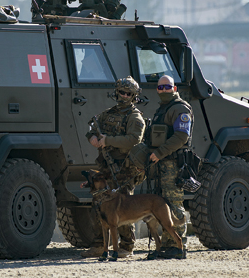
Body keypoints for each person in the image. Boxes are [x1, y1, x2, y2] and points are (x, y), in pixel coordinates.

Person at [82, 76, 145, 258]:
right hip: (106, 167)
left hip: (124, 168)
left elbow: (134, 139)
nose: (124, 96)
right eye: (121, 92)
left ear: (133, 96)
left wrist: (108, 140)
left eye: (128, 94)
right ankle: (99, 245)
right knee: (99, 203)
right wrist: (92, 137)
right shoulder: (108, 114)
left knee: (123, 206)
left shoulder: (135, 117)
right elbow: (92, 127)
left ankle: (127, 246)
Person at [145, 74, 192, 259]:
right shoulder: (163, 109)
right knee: (162, 206)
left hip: (173, 163)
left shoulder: (180, 108)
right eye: (160, 87)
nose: (164, 90)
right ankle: (167, 244)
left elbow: (182, 136)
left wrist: (160, 153)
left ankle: (178, 246)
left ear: (174, 88)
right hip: (162, 164)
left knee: (173, 203)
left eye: (167, 87)